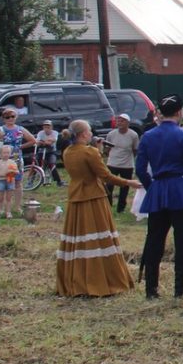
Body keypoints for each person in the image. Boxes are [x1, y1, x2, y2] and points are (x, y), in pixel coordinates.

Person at [136, 95, 183, 299]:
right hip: (179, 188)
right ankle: (181, 289)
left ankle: (151, 290)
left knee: (154, 241)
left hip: (158, 188)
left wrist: (152, 186)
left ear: (160, 112)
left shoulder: (148, 136)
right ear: (179, 112)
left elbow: (140, 169)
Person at [56, 119, 140, 297]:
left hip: (75, 197)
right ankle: (100, 281)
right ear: (84, 134)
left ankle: (75, 279)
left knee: (77, 240)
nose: (91, 134)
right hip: (93, 197)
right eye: (89, 131)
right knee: (99, 240)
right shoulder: (90, 152)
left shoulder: (68, 151)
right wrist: (129, 182)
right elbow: (105, 175)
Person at [98, 114, 139, 215]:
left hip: (127, 165)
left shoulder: (133, 135)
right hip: (113, 163)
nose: (119, 123)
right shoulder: (111, 134)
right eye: (118, 121)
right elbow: (107, 149)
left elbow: (135, 149)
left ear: (127, 123)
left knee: (125, 187)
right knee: (109, 186)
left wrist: (133, 160)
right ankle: (108, 206)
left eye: (122, 121)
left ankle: (121, 208)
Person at [0, 144, 19, 219]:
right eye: (4, 153)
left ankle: (8, 212)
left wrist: (12, 172)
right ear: (0, 154)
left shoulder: (12, 162)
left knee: (9, 198)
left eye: (8, 153)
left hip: (10, 181)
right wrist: (1, 174)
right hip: (1, 181)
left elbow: (17, 172)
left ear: (10, 154)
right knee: (0, 198)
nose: (6, 154)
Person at [35, 120, 61, 186]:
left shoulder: (55, 133)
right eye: (45, 126)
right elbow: (37, 142)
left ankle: (59, 181)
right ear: (43, 127)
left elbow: (53, 141)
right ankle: (31, 181)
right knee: (36, 164)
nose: (46, 128)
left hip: (51, 152)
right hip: (41, 151)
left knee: (52, 164)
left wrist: (42, 141)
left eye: (48, 127)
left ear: (51, 127)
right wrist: (46, 141)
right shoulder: (40, 133)